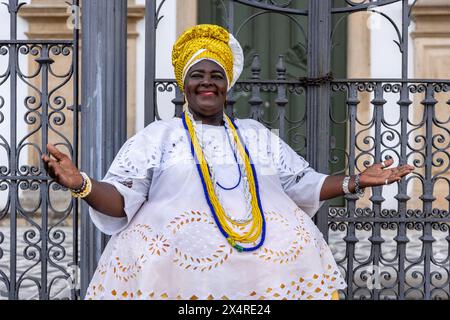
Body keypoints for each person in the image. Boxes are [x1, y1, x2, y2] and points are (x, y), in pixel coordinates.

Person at [42, 24, 414, 300]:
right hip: (179, 283)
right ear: (183, 85)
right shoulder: (159, 136)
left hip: (263, 283)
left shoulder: (254, 134)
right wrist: (82, 185)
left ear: (227, 84)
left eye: (216, 75)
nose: (208, 83)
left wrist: (356, 181)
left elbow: (302, 183)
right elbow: (122, 198)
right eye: (197, 75)